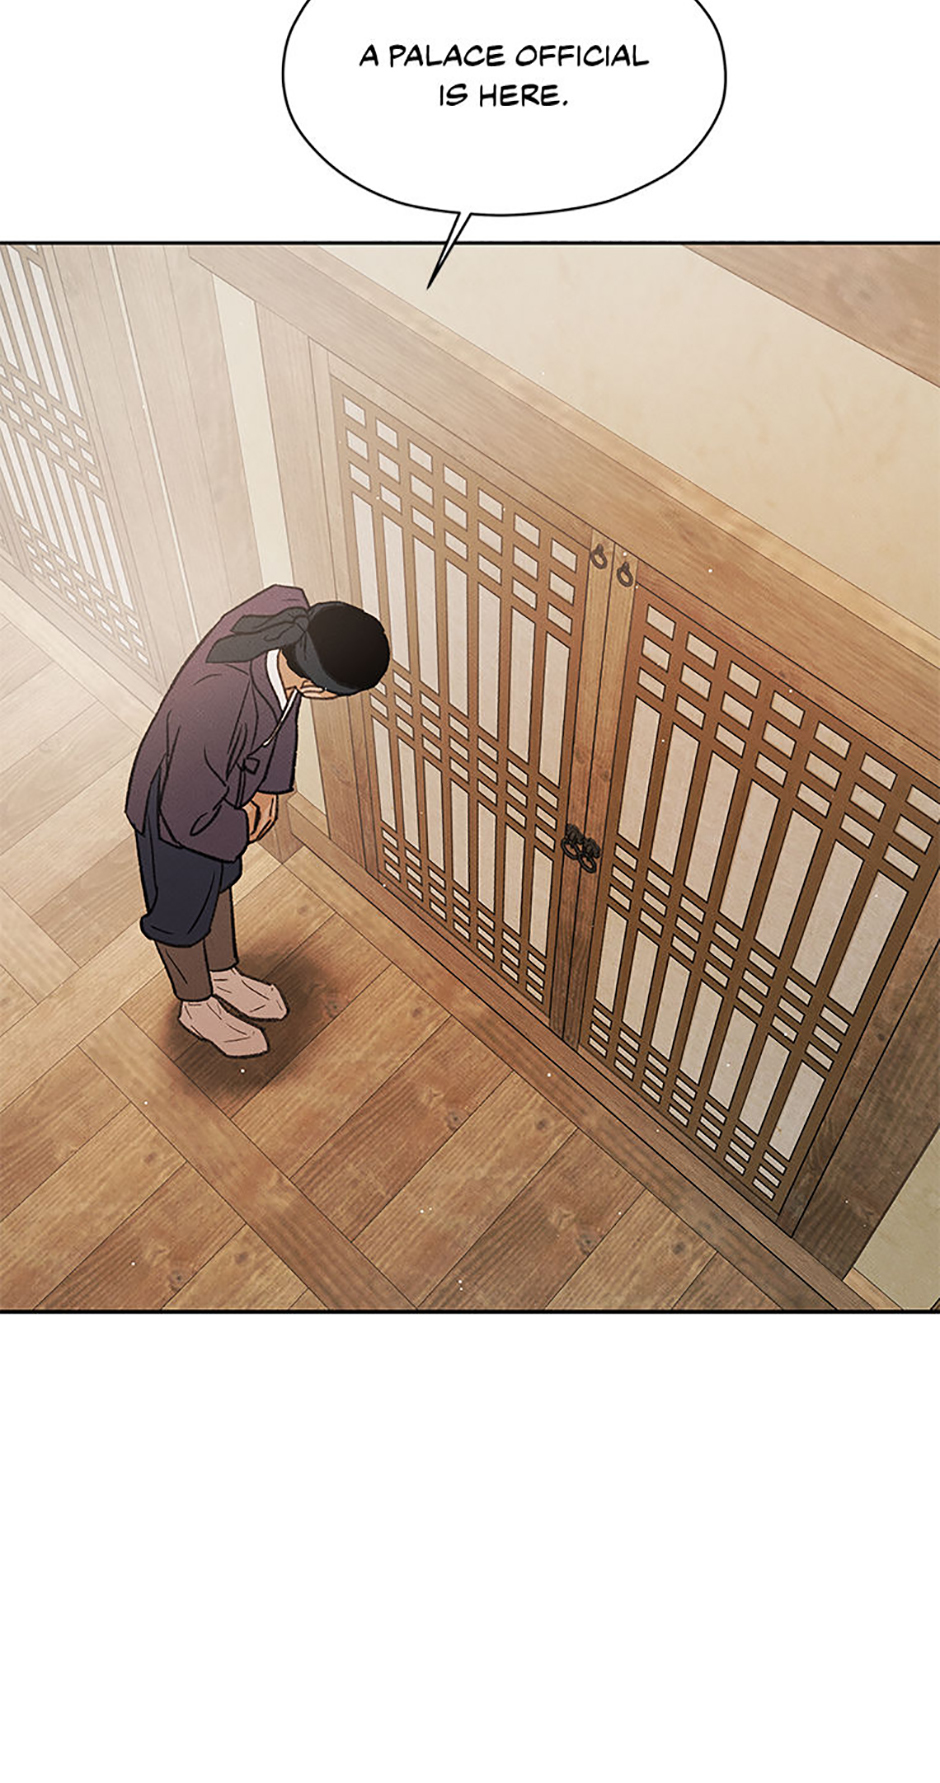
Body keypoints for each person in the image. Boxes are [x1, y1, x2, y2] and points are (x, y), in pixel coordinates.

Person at [125, 586, 390, 1057]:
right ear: (318, 687)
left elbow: (286, 711)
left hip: (224, 788)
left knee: (218, 882)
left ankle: (223, 973)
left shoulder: (293, 631)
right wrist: (241, 822)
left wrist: (268, 787)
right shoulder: (217, 698)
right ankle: (196, 1003)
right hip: (171, 808)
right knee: (180, 913)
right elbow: (184, 813)